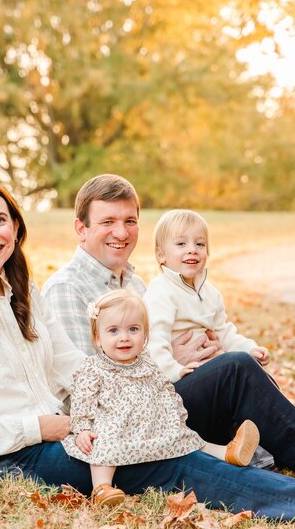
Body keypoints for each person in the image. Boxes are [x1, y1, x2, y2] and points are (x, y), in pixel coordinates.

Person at [0, 175, 295, 521]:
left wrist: (140, 397)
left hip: (72, 431)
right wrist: (36, 427)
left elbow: (76, 367)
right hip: (12, 456)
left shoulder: (23, 294)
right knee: (162, 459)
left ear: (15, 227)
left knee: (159, 440)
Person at [42, 174, 295, 472]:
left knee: (242, 367)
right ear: (81, 229)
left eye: (130, 221)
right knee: (236, 369)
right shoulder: (67, 288)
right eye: (107, 222)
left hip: (163, 406)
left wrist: (208, 356)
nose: (121, 232)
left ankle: (262, 450)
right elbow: (85, 388)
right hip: (127, 428)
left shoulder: (136, 283)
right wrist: (175, 361)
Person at [63, 290, 260, 506]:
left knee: (186, 437)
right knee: (101, 445)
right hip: (115, 427)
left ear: (145, 335)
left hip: (152, 424)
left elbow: (163, 387)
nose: (124, 337)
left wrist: (175, 413)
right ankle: (101, 487)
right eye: (113, 331)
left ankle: (228, 453)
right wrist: (81, 428)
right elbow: (82, 400)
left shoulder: (146, 361)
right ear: (98, 339)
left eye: (133, 329)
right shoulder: (93, 367)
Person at [143, 209, 270, 383]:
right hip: (179, 380)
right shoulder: (161, 291)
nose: (192, 250)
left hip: (212, 371)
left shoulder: (211, 294)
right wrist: (174, 371)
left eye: (200, 244)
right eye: (181, 244)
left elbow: (223, 333)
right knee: (238, 366)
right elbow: (155, 341)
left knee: (255, 371)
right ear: (161, 255)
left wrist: (249, 348)